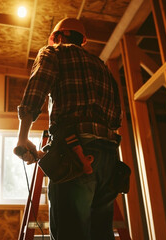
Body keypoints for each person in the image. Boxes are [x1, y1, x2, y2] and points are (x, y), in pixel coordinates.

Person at [16, 17, 123, 239]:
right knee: (101, 234)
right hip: (109, 159)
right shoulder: (102, 67)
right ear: (82, 40)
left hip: (76, 155)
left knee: (70, 234)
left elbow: (36, 92)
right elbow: (116, 119)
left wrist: (22, 138)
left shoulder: (54, 52)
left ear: (57, 37)